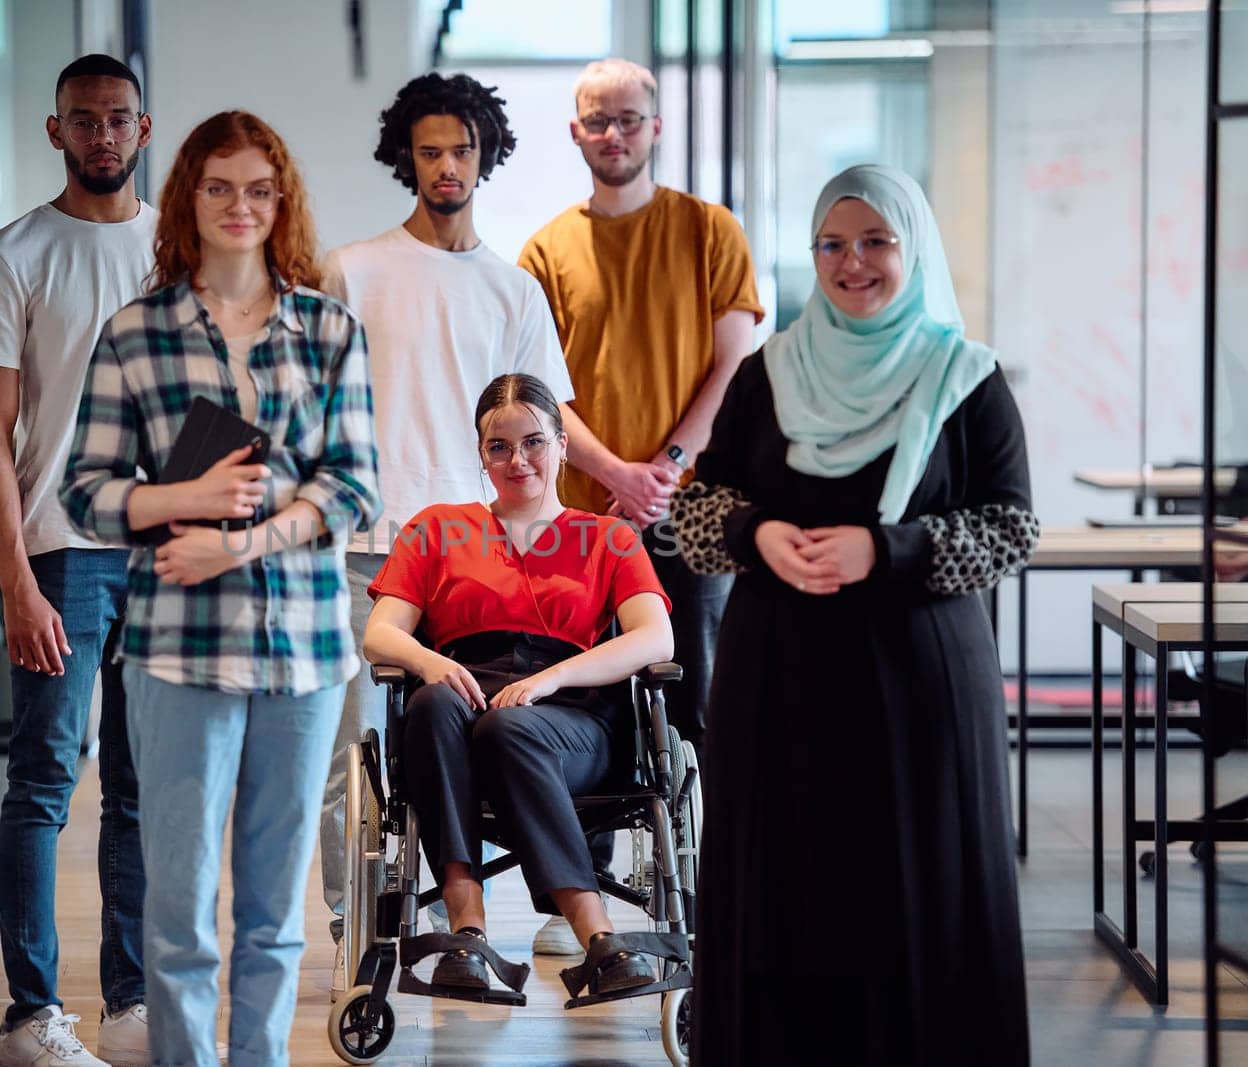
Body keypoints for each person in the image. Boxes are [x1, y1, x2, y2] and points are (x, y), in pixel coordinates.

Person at [673, 164, 1036, 1065]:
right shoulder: (769, 374)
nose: (853, 262)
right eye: (832, 244)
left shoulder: (964, 378)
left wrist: (891, 549)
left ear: (912, 249)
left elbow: (1012, 525)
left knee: (918, 895)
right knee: (785, 896)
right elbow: (696, 509)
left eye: (876, 241)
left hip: (918, 693)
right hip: (780, 690)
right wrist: (757, 533)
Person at [60, 110, 380, 1066]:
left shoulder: (330, 330)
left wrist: (246, 541)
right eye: (219, 187)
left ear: (281, 204)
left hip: (307, 652)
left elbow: (354, 481)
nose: (241, 206)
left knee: (278, 913)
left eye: (259, 189)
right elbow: (84, 491)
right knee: (181, 908)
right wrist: (186, 497)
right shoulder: (136, 334)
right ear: (188, 200)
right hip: (177, 654)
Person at [318, 72, 575, 973]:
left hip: (475, 560)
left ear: (486, 155)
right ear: (407, 158)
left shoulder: (514, 291)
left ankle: (482, 911)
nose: (446, 165)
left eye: (461, 148)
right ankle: (358, 938)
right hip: (363, 548)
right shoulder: (352, 269)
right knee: (349, 752)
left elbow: (542, 435)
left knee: (461, 737)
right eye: (429, 150)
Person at [0, 53, 153, 1067]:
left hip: (165, 556)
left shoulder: (185, 247)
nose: (103, 137)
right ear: (56, 131)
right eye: (85, 120)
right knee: (41, 782)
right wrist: (16, 581)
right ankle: (31, 1016)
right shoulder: (11, 254)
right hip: (63, 553)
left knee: (142, 784)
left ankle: (131, 1001)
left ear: (144, 129)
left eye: (119, 120)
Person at [364, 373, 673, 994]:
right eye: (498, 447)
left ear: (562, 445)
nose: (517, 460)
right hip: (464, 698)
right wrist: (429, 661)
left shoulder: (607, 537)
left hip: (574, 719)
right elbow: (381, 633)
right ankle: (468, 933)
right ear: (481, 455)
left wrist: (548, 680)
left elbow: (654, 639)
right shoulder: (437, 528)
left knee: (510, 725)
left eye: (533, 442)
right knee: (429, 702)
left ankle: (596, 932)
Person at [519, 57, 764, 753]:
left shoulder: (710, 230)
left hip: (694, 509)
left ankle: (714, 863)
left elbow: (734, 363)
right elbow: (539, 388)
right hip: (581, 516)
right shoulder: (544, 252)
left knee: (702, 702)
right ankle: (586, 865)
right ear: (576, 131)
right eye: (598, 120)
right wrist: (619, 474)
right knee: (581, 706)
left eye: (628, 119)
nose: (614, 134)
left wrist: (666, 465)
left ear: (655, 127)